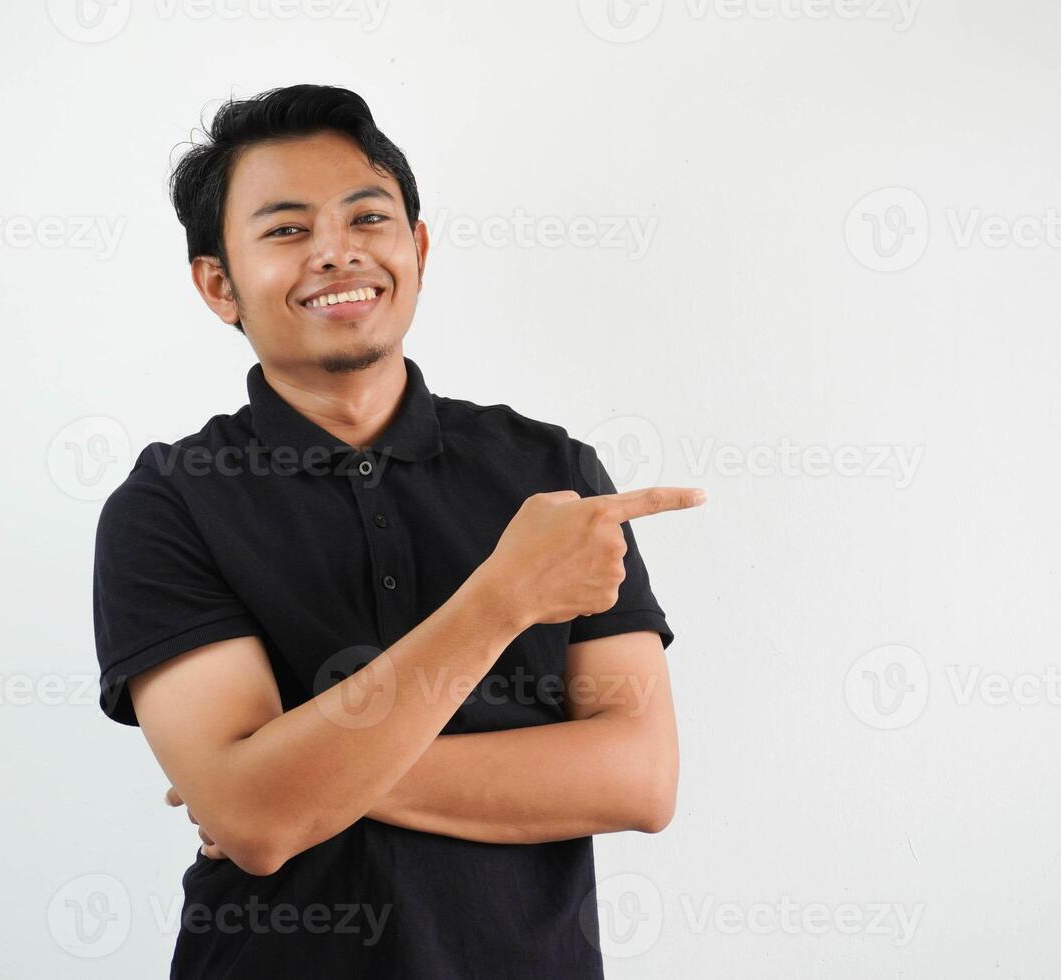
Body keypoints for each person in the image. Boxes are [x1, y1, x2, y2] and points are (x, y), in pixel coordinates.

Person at [91, 83, 707, 979]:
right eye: (286, 230)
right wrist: (503, 601)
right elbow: (257, 826)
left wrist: (280, 778)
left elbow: (640, 780)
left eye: (368, 219)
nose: (336, 254)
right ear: (218, 284)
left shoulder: (550, 475)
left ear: (416, 248)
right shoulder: (169, 504)